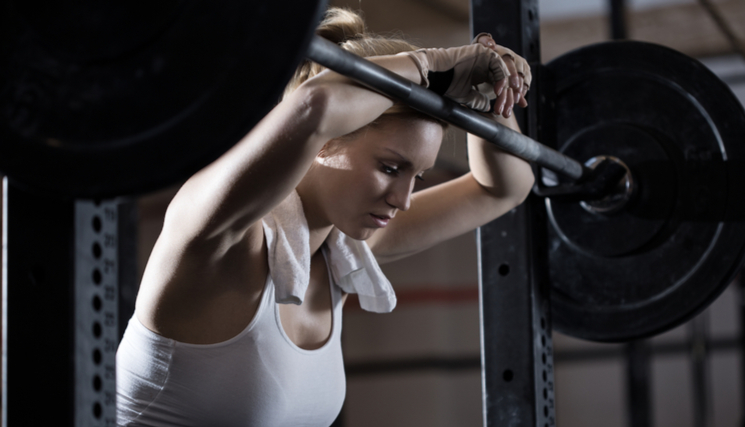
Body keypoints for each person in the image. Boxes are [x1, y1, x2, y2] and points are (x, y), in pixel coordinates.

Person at [116, 7, 534, 427]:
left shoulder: (344, 256)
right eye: (390, 168)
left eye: (417, 175)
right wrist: (431, 65)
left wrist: (491, 98)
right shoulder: (220, 237)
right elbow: (314, 105)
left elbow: (504, 188)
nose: (404, 199)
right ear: (324, 142)